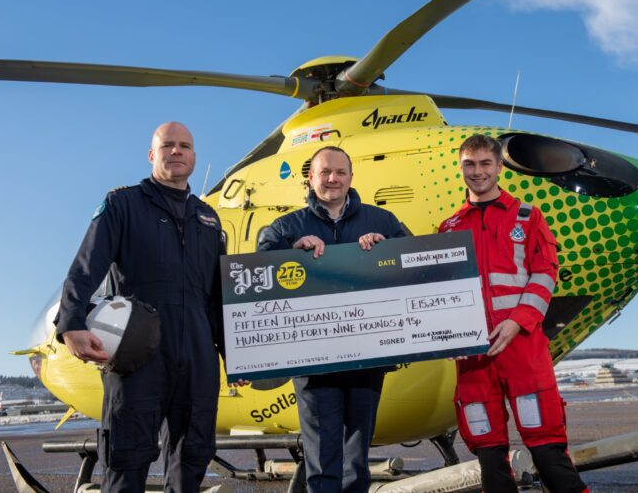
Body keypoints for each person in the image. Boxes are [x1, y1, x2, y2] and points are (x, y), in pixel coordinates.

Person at [55, 122, 224, 492]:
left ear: (194, 156)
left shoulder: (209, 219)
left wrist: (237, 355)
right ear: (152, 155)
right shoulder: (123, 204)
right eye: (167, 146)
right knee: (127, 453)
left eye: (184, 146)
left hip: (197, 354)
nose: (176, 152)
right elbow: (86, 267)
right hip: (137, 352)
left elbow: (219, 298)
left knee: (194, 453)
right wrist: (70, 322)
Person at [439, 135, 588, 493]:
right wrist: (449, 335)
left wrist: (518, 320)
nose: (478, 172)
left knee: (546, 447)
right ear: (460, 168)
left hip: (521, 347)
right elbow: (441, 294)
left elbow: (545, 273)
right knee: (489, 453)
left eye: (485, 164)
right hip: (474, 355)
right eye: (469, 165)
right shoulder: (449, 228)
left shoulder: (528, 216)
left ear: (499, 167)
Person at [257, 146, 406, 493]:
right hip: (312, 362)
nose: (333, 179)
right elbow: (256, 272)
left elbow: (413, 262)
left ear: (351, 178)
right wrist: (290, 252)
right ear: (311, 177)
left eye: (340, 172)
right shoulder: (286, 227)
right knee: (321, 461)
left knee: (357, 458)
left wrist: (387, 250)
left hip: (366, 359)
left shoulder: (382, 222)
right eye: (325, 172)